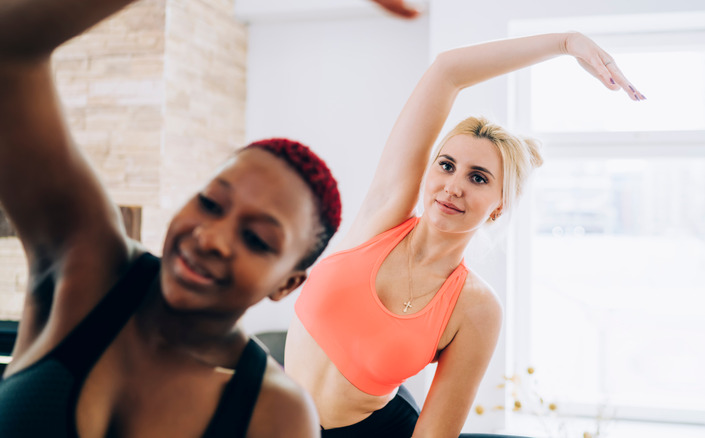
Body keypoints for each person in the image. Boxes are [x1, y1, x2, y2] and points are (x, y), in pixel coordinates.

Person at [0, 1, 345, 437]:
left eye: (256, 239)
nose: (212, 238)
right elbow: (9, 50)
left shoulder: (277, 414)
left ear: (288, 283)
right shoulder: (88, 266)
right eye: (211, 203)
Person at [284, 32, 644, 437]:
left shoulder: (476, 308)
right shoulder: (383, 215)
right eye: (446, 165)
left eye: (478, 177)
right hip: (274, 417)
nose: (453, 186)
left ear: (499, 205)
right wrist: (565, 43)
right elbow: (447, 72)